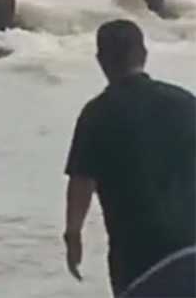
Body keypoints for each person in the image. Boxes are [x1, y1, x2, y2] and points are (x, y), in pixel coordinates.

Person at [63, 20, 196, 297]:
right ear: (144, 54)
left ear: (101, 61)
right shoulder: (185, 103)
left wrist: (73, 235)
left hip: (141, 261)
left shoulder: (97, 114)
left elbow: (81, 182)